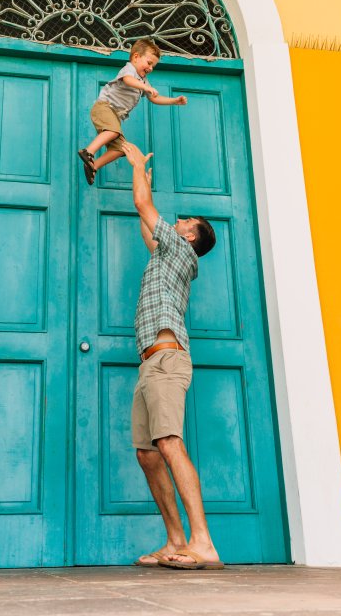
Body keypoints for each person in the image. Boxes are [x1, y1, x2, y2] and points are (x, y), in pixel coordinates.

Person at [120, 142, 223, 571]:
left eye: (185, 221)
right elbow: (143, 215)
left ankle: (203, 543)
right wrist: (140, 171)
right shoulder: (165, 253)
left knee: (169, 442)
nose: (177, 221)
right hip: (150, 364)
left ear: (190, 236)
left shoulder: (181, 251)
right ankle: (175, 539)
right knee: (147, 452)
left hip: (167, 360)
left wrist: (133, 162)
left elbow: (145, 205)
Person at [77, 39, 187, 185]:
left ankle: (93, 166)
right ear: (136, 57)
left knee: (122, 149)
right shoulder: (129, 69)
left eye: (153, 66)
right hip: (104, 107)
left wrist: (174, 101)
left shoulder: (143, 80)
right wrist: (145, 88)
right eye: (149, 63)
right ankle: (88, 152)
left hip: (114, 115)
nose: (151, 68)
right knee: (114, 131)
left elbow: (155, 98)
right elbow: (128, 80)